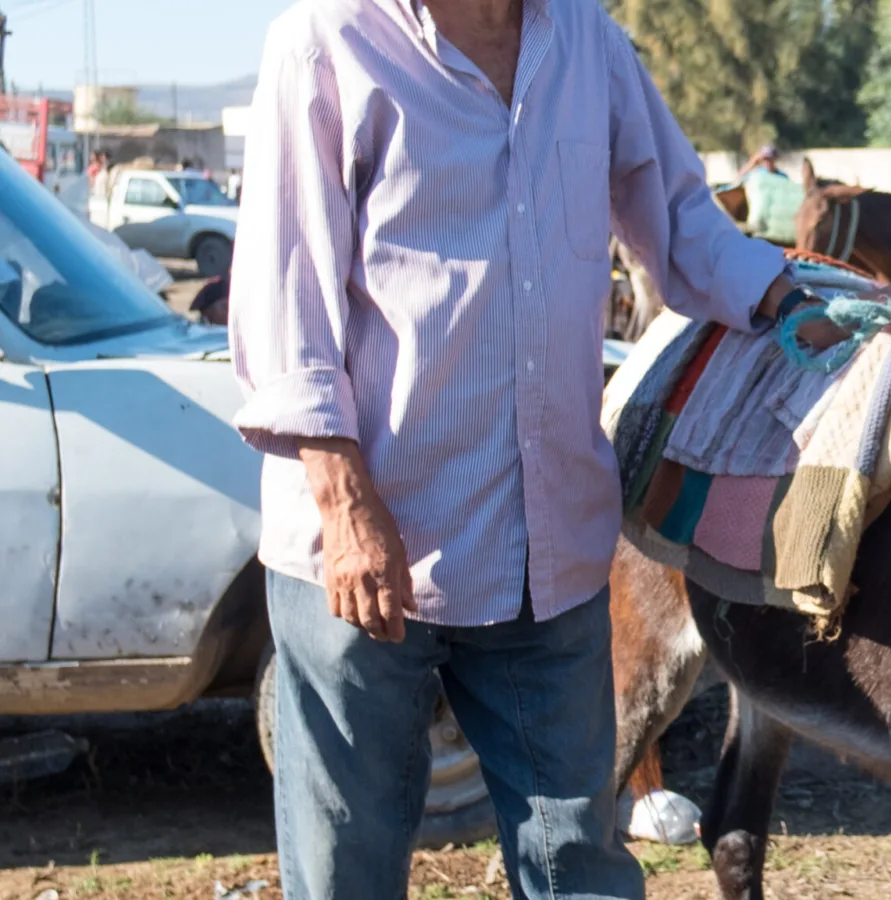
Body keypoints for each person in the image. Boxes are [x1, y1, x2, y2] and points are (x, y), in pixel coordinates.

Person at [227, 1, 840, 897]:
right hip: (367, 549)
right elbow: (287, 300)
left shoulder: (585, 40)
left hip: (543, 547)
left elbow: (674, 215)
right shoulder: (328, 39)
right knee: (344, 872)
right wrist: (345, 509)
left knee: (580, 864)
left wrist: (786, 300)